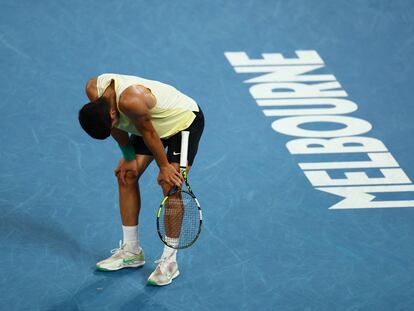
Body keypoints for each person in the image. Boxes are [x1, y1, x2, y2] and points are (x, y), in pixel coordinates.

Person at [78, 73, 204, 286]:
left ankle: (170, 262)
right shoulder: (93, 90)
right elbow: (117, 127)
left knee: (170, 185)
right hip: (147, 123)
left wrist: (164, 167)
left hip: (181, 123)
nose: (113, 127)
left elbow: (148, 132)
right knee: (127, 175)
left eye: (111, 122)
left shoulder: (131, 101)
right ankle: (131, 250)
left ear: (111, 111)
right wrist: (128, 158)